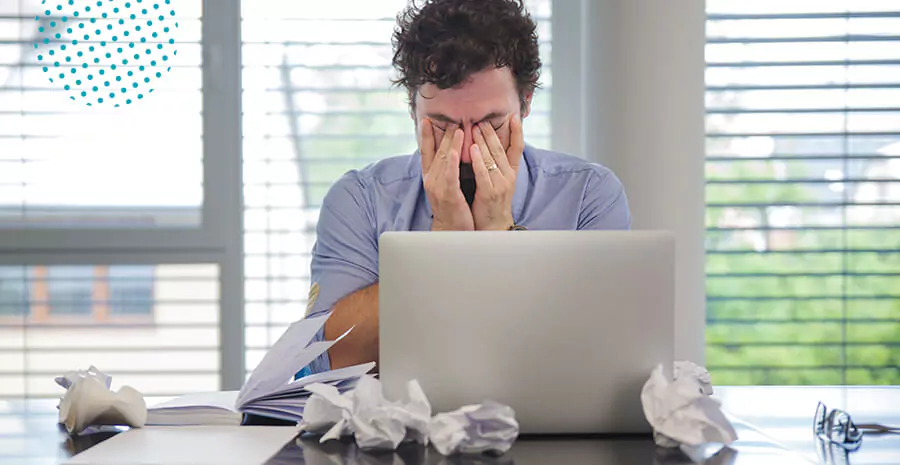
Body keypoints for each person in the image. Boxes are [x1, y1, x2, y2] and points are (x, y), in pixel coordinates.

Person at [303, 0, 631, 374]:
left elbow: (599, 357)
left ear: (525, 104)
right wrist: (443, 246)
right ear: (413, 110)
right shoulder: (361, 199)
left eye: (491, 123)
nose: (467, 150)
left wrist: (498, 236)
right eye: (443, 126)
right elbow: (328, 360)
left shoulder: (588, 194)